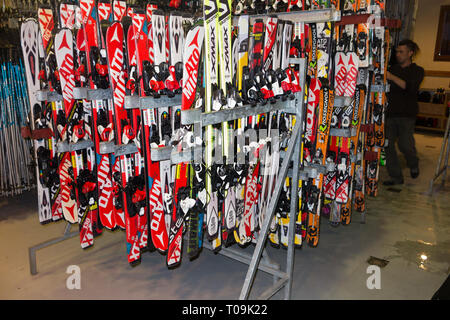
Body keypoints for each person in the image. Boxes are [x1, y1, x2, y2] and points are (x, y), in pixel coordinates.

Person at [383, 39, 424, 186]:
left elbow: (410, 88)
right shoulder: (392, 69)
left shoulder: (417, 71)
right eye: (397, 51)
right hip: (390, 113)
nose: (398, 54)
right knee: (387, 145)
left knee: (405, 145)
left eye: (401, 52)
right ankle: (396, 177)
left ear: (410, 53)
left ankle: (413, 163)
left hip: (407, 114)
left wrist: (391, 77)